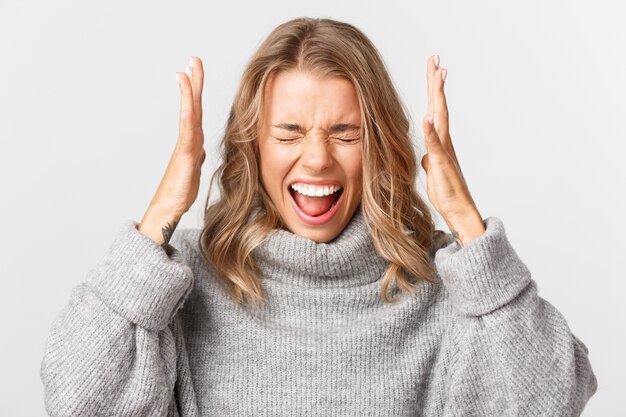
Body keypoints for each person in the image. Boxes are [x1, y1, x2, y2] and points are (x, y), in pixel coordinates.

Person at [40, 17, 597, 416]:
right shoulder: (177, 279)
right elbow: (76, 400)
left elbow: (552, 399)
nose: (317, 158)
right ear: (252, 147)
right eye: (288, 133)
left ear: (376, 145)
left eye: (344, 133)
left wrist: (468, 228)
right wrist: (161, 215)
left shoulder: (448, 282)